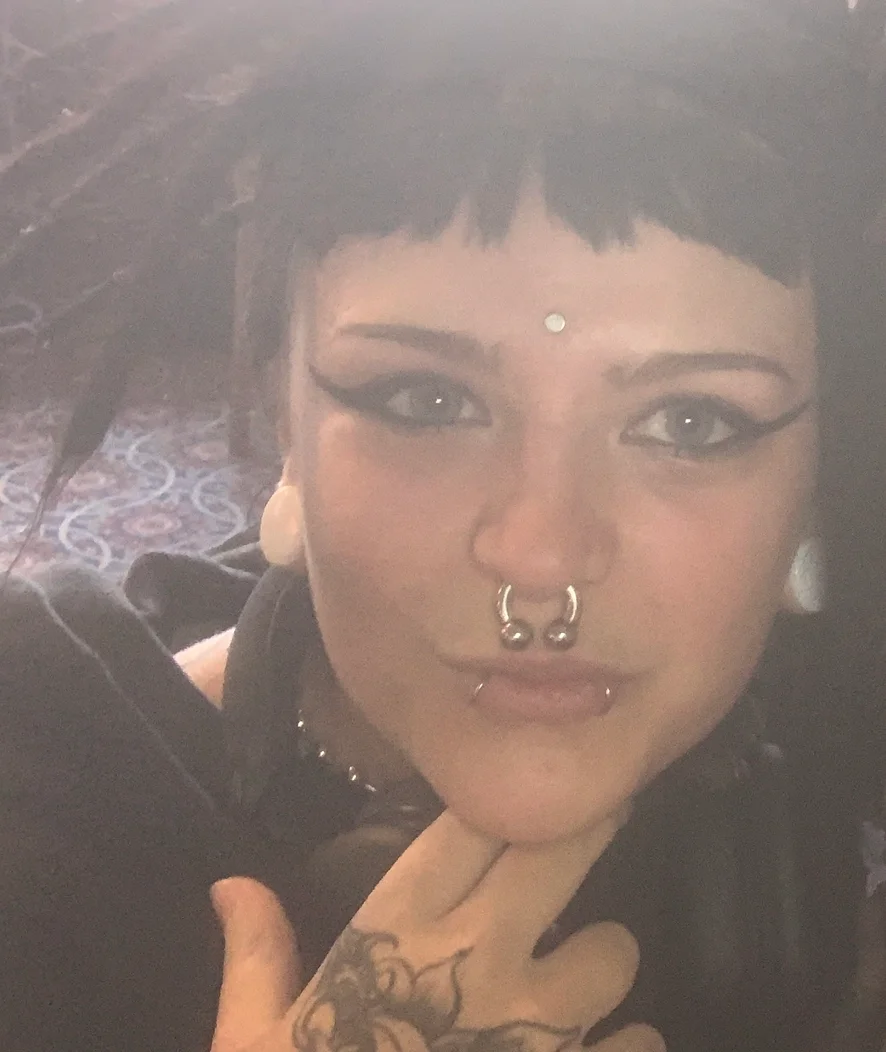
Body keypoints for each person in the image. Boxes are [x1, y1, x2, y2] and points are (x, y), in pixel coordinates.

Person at [2, 1, 886, 1050]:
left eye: (691, 422)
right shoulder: (38, 811)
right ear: (287, 432)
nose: (540, 554)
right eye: (426, 400)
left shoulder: (830, 722)